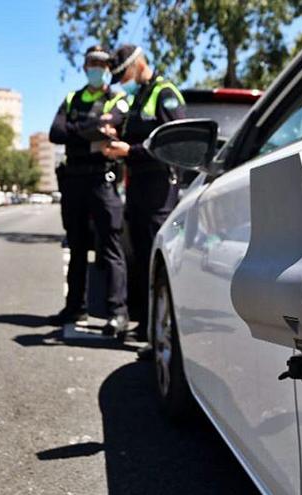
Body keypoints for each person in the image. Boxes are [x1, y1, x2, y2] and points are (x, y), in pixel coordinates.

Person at [102, 45, 186, 343]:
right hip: (137, 193)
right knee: (140, 261)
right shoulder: (139, 97)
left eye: (123, 73)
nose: (122, 80)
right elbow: (137, 137)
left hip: (158, 195)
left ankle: (160, 334)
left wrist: (131, 151)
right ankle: (147, 326)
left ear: (137, 64)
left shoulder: (164, 92)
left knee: (156, 261)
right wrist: (117, 140)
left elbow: (176, 143)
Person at [49, 45, 130, 335]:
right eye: (91, 62)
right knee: (77, 246)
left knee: (109, 247)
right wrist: (92, 127)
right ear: (84, 67)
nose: (96, 67)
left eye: (101, 63)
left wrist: (77, 129)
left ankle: (117, 312)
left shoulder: (117, 98)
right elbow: (55, 132)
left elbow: (114, 123)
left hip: (102, 180)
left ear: (108, 68)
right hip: (73, 180)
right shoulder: (72, 98)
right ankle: (74, 307)